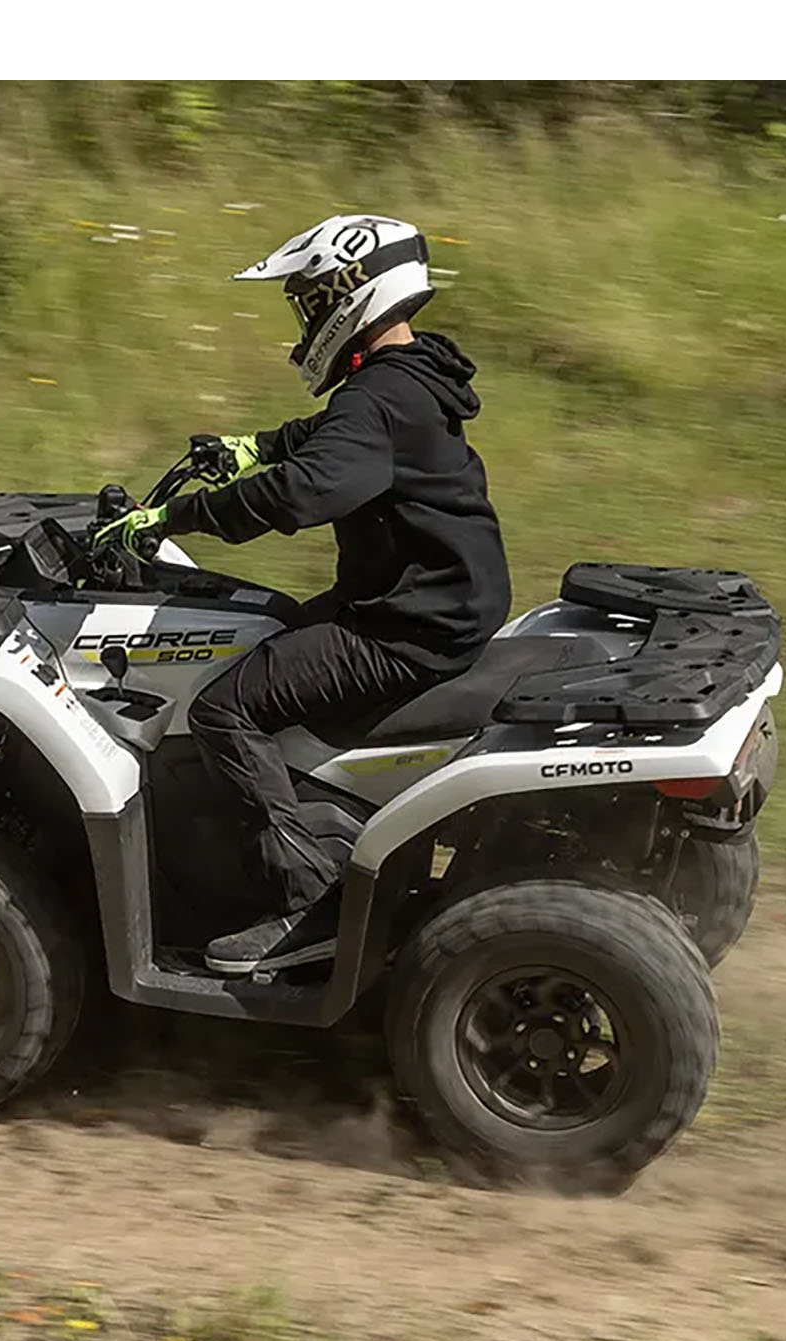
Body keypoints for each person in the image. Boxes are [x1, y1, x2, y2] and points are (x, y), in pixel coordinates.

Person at [95, 214, 512, 968]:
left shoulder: (376, 399)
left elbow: (303, 491)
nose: (304, 317)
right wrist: (256, 444)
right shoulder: (410, 376)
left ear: (349, 295)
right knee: (271, 632)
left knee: (225, 706)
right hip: (440, 603)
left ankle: (311, 898)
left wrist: (175, 516)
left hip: (407, 627)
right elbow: (334, 438)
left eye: (309, 299)